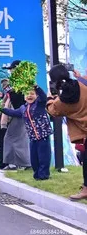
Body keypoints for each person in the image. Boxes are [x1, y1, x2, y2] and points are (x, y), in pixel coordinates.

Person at [46, 63, 87, 200]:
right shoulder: (82, 84)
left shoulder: (61, 102)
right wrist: (79, 77)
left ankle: (86, 189)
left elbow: (53, 111)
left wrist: (50, 98)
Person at [1, 84, 51, 180]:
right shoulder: (23, 108)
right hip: (32, 138)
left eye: (32, 94)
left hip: (43, 136)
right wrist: (1, 109)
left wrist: (37, 87)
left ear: (36, 96)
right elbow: (12, 112)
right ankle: (37, 175)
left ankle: (44, 175)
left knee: (43, 157)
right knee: (34, 159)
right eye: (27, 94)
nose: (29, 96)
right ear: (24, 97)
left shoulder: (39, 104)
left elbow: (44, 97)